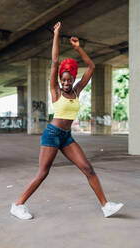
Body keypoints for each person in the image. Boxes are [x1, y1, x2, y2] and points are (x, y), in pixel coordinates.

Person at [10, 22, 123, 220]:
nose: (66, 83)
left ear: (73, 79)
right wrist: (56, 34)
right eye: (63, 80)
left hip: (67, 136)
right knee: (43, 172)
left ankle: (106, 206)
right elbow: (54, 62)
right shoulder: (55, 92)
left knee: (88, 168)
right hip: (52, 135)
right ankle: (18, 205)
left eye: (69, 79)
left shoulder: (77, 91)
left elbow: (91, 66)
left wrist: (78, 48)